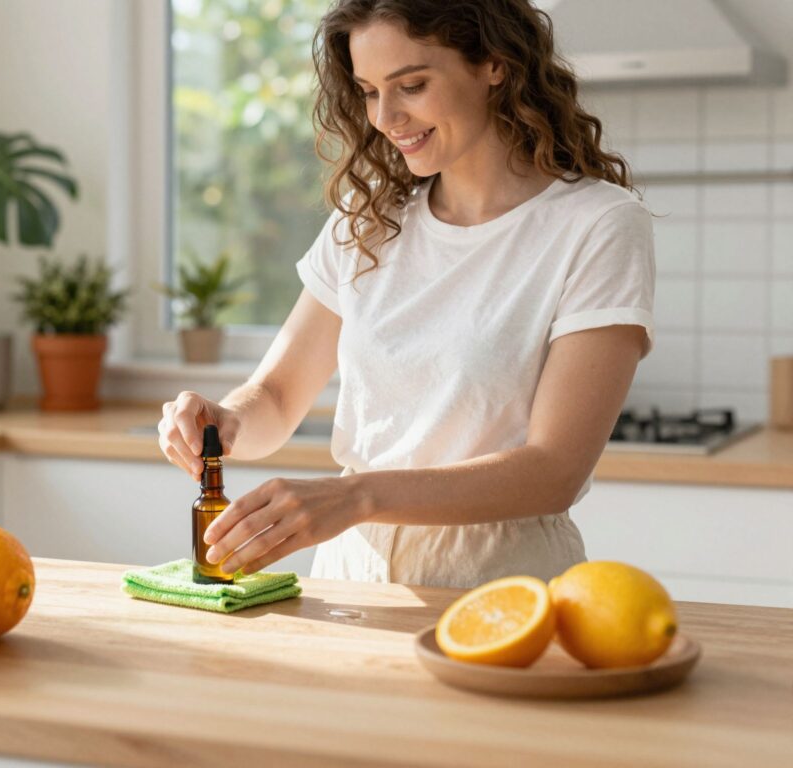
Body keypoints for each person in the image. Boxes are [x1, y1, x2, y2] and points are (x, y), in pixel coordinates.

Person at [157, 0, 654, 588]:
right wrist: (226, 421)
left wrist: (358, 496)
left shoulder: (597, 224)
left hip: (502, 581)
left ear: (494, 63)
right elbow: (280, 395)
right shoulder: (366, 220)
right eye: (368, 91)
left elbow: (554, 470)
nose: (386, 117)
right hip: (350, 576)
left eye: (411, 85)